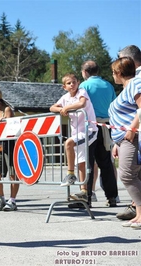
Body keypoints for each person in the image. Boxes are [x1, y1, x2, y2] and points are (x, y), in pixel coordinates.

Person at [50, 74, 98, 208]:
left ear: (78, 83)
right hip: (77, 132)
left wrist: (67, 108)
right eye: (69, 83)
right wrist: (61, 109)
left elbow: (82, 103)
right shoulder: (65, 98)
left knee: (68, 143)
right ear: (64, 87)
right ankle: (83, 192)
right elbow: (52, 107)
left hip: (89, 130)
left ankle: (70, 174)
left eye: (74, 82)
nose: (72, 85)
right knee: (81, 163)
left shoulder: (82, 92)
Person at [80, 60, 118, 207]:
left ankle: (87, 196)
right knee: (106, 164)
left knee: (88, 163)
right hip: (105, 126)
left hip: (89, 127)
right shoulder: (108, 85)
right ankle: (112, 196)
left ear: (85, 72)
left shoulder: (84, 86)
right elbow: (114, 105)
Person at [108, 56, 141, 228]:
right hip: (123, 139)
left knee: (127, 175)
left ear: (118, 73)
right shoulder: (126, 89)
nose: (112, 76)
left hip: (132, 138)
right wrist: (116, 142)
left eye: (113, 72)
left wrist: (132, 129)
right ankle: (139, 215)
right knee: (132, 176)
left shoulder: (134, 84)